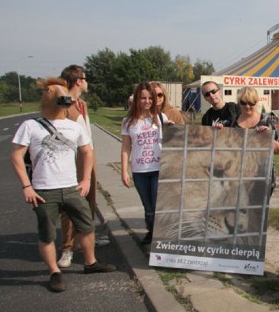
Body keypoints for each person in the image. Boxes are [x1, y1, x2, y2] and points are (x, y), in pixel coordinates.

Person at [10, 77, 116, 293]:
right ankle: (54, 272)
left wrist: (85, 179)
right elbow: (16, 156)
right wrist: (26, 186)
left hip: (72, 188)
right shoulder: (30, 126)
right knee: (47, 233)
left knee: (86, 226)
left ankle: (90, 263)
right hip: (43, 190)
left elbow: (87, 151)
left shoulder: (73, 126)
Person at [56, 65, 106, 270]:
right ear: (78, 81)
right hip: (71, 158)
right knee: (71, 203)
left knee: (89, 200)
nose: (87, 82)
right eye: (85, 78)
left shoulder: (82, 104)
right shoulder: (62, 103)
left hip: (88, 155)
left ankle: (87, 239)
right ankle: (67, 249)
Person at [121, 82, 169, 245]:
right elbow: (126, 147)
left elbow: (172, 140)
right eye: (143, 98)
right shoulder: (128, 121)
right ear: (137, 99)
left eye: (150, 98)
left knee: (156, 205)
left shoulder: (161, 118)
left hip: (158, 169)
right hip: (139, 171)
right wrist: (124, 171)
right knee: (148, 208)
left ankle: (160, 239)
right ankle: (151, 231)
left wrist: (173, 129)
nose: (147, 101)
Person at [232, 86, 279, 198]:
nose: (248, 106)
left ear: (257, 102)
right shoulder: (232, 122)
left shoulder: (266, 122)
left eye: (251, 103)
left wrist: (268, 138)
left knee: (257, 212)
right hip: (236, 175)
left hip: (262, 175)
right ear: (238, 102)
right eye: (243, 103)